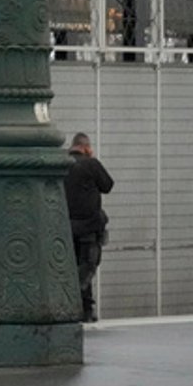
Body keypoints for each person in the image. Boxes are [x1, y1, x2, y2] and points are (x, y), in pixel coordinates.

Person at [64, 132, 115, 323]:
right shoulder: (91, 164)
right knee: (88, 266)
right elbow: (108, 185)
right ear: (86, 148)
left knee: (75, 266)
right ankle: (79, 304)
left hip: (66, 227)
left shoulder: (62, 163)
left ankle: (85, 309)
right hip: (89, 227)